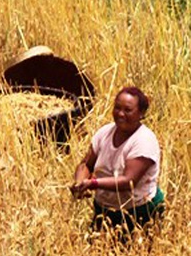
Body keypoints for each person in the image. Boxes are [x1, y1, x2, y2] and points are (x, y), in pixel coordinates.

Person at [70, 86, 165, 231]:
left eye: (127, 110)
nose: (120, 114)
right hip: (106, 211)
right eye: (117, 108)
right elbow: (86, 164)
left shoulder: (144, 141)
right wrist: (79, 183)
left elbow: (129, 181)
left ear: (141, 113)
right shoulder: (104, 133)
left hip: (138, 212)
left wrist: (93, 184)